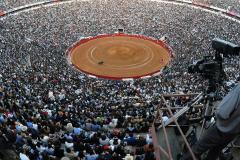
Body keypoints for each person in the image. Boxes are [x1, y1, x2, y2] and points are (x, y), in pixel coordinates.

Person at [182, 82, 240, 160]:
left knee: (196, 150)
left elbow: (222, 113)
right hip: (232, 133)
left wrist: (216, 113)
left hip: (220, 129)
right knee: (214, 152)